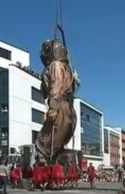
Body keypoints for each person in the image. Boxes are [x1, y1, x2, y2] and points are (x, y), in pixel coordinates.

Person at [34, 39, 77, 167]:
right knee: (57, 144)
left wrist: (53, 107)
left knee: (42, 141)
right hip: (68, 108)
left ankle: (44, 166)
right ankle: (56, 164)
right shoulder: (67, 69)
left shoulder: (55, 66)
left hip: (59, 107)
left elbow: (56, 86)